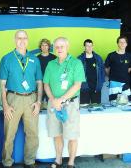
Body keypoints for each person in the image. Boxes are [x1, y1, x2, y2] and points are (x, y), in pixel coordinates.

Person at [0, 30, 43, 168]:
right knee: (9, 134)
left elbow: (39, 82)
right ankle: (7, 162)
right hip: (13, 98)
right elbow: (2, 84)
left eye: (24, 38)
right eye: (19, 38)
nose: (22, 40)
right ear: (14, 40)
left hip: (31, 99)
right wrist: (5, 105)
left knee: (32, 134)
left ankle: (29, 161)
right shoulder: (7, 58)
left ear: (28, 40)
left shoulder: (34, 59)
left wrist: (39, 101)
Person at [43, 37, 85, 168]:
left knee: (72, 135)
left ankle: (71, 162)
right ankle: (58, 160)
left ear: (67, 47)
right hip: (54, 104)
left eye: (62, 46)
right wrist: (53, 100)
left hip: (70, 104)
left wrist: (61, 100)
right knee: (56, 133)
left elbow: (77, 85)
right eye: (57, 47)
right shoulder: (51, 64)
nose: (59, 49)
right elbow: (46, 85)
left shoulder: (76, 63)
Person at [105, 36, 131, 103]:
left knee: (127, 102)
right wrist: (111, 76)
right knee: (114, 102)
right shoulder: (111, 55)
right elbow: (106, 68)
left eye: (124, 42)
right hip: (114, 83)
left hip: (125, 83)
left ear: (126, 44)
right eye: (120, 42)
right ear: (117, 44)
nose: (122, 44)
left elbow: (129, 69)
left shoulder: (130, 56)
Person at [78, 39, 105, 104]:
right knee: (84, 109)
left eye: (91, 46)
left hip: (96, 87)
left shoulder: (98, 58)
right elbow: (77, 74)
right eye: (87, 46)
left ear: (92, 46)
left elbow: (102, 72)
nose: (89, 47)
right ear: (84, 47)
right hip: (84, 88)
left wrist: (101, 84)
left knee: (96, 109)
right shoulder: (80, 59)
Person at [37, 38, 56, 108]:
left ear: (49, 47)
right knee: (39, 103)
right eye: (42, 45)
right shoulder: (37, 58)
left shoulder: (54, 58)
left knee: (51, 104)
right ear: (40, 47)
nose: (44, 47)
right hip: (40, 83)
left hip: (51, 84)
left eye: (46, 45)